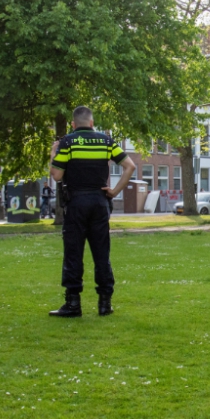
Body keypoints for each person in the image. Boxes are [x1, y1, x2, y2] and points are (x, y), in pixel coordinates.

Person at [48, 106, 136, 318]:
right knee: (101, 253)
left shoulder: (68, 142)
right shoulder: (105, 141)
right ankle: (105, 303)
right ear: (92, 123)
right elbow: (130, 166)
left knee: (73, 253)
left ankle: (73, 304)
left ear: (73, 124)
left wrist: (53, 153)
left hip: (76, 201)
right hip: (99, 201)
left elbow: (57, 175)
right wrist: (114, 191)